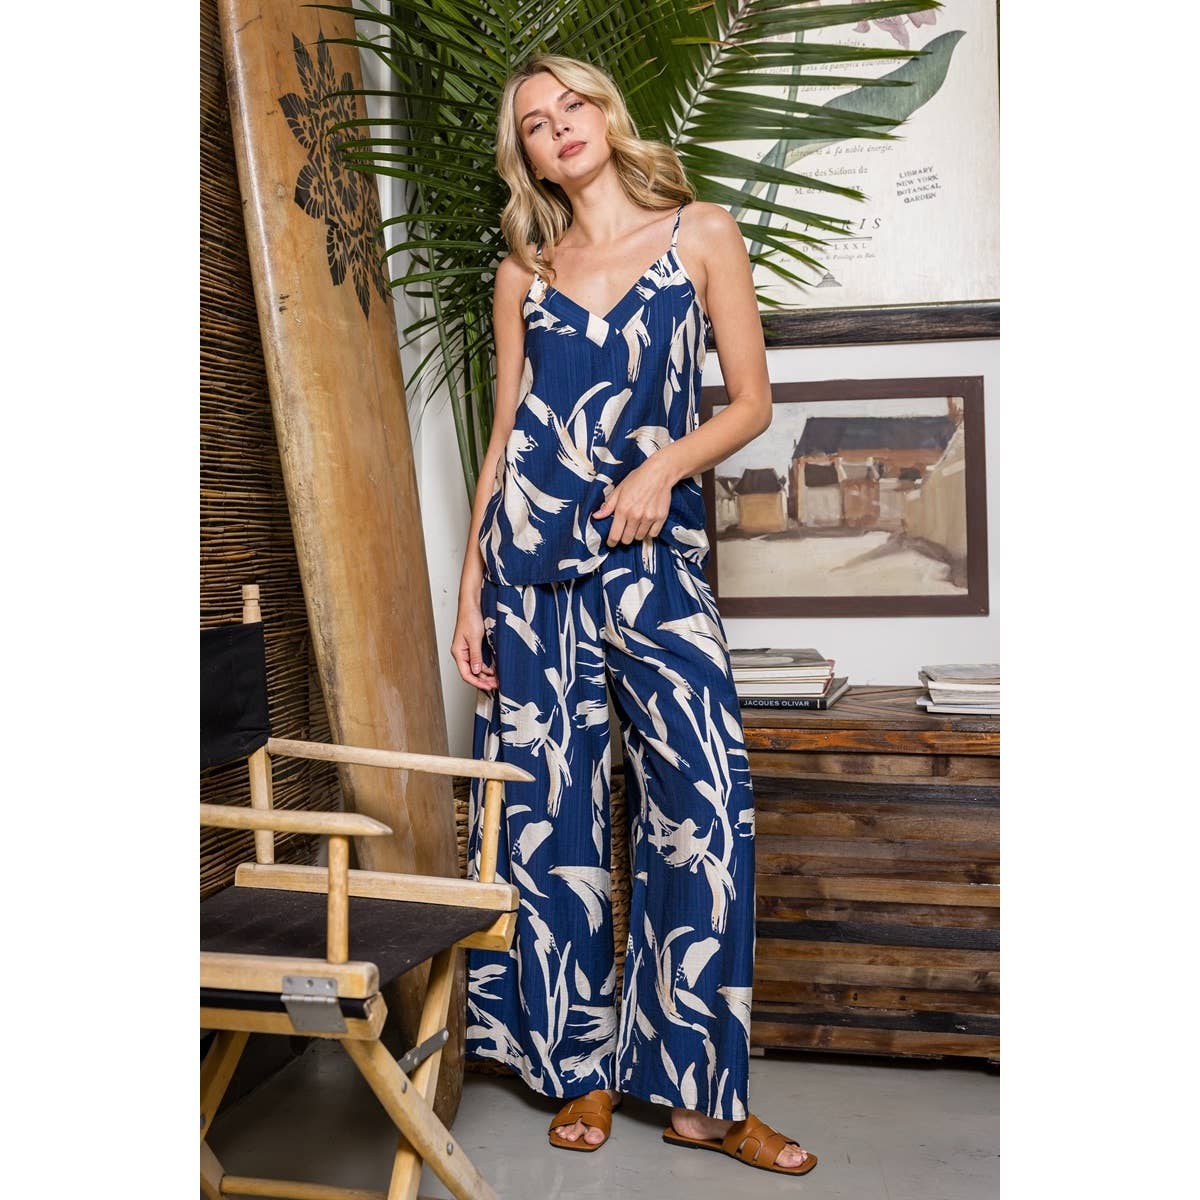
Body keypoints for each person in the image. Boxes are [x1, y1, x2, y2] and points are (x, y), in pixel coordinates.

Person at [449, 53, 816, 1178]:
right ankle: (583, 1071)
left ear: (607, 115)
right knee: (553, 821)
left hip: (655, 560)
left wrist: (663, 468)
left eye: (573, 105)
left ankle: (703, 1094)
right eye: (536, 121)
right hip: (532, 571)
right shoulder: (524, 271)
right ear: (526, 155)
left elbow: (752, 402)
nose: (560, 126)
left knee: (705, 802)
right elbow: (505, 435)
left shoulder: (701, 234)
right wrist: (470, 588)